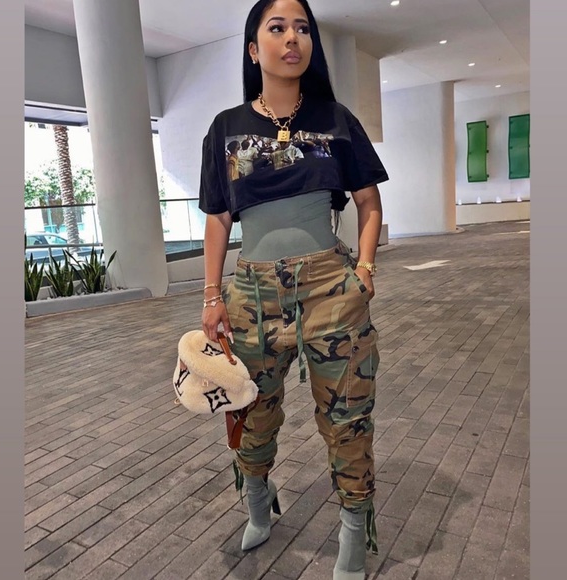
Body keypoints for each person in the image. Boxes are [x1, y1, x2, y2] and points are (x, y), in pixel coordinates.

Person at [199, 1, 388, 578]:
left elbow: (369, 202)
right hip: (251, 297)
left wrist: (364, 270)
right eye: (277, 28)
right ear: (253, 49)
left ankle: (353, 531)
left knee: (348, 417)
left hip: (331, 290)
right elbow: (217, 219)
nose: (292, 39)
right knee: (250, 412)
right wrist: (211, 296)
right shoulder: (225, 128)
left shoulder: (335, 119)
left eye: (302, 29)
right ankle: (258, 503)